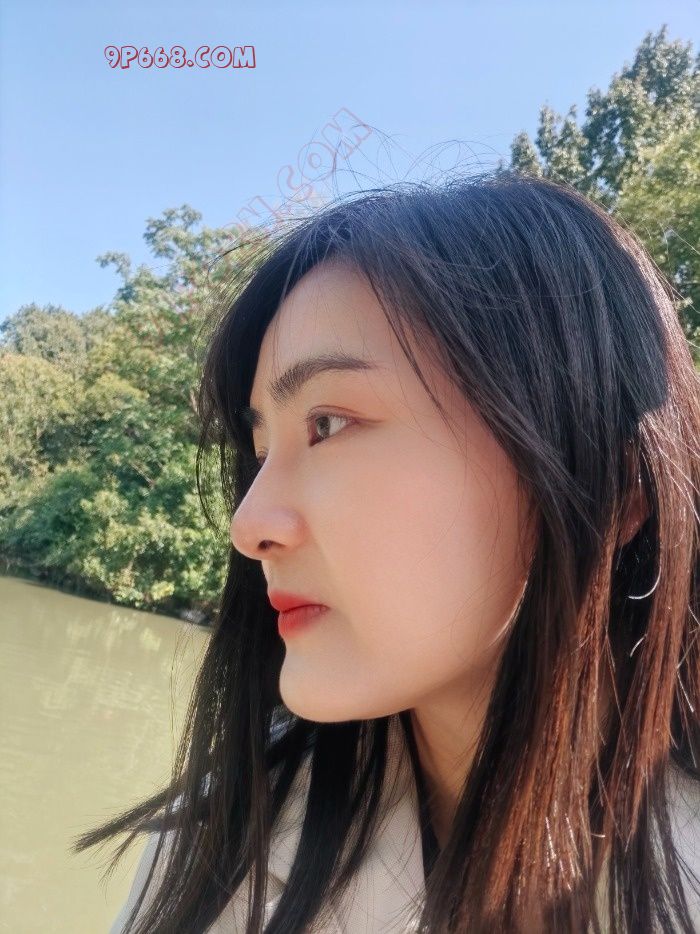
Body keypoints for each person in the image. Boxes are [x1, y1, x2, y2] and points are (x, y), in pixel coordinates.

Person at [75, 170, 700, 932]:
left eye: (329, 424)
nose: (249, 524)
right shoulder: (222, 834)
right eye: (261, 450)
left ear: (612, 488)